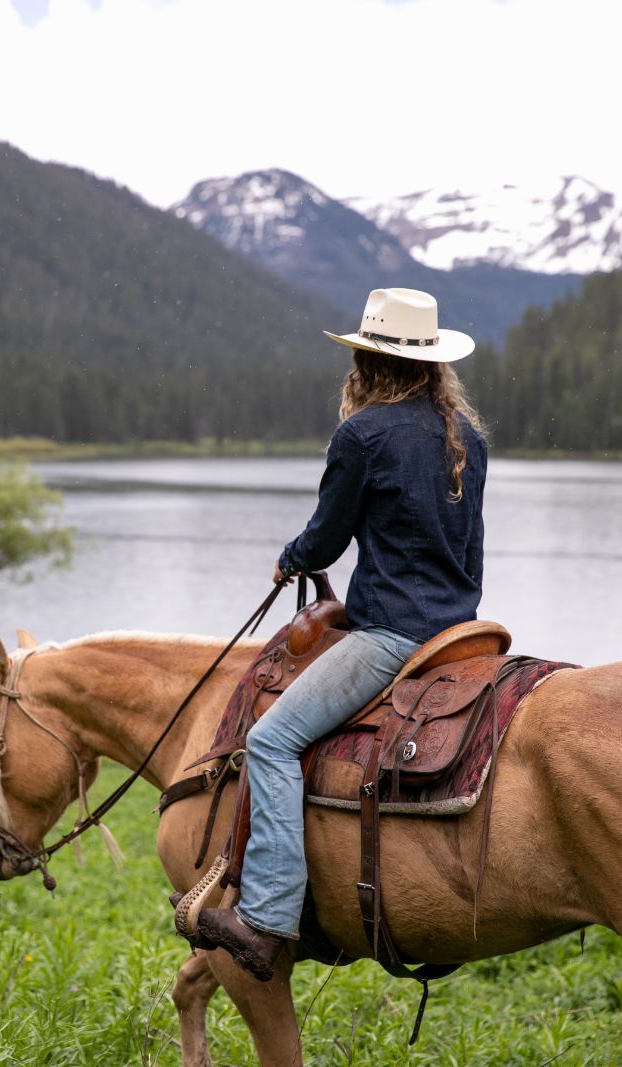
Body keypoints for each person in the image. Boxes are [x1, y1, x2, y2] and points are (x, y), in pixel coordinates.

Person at [197, 287, 487, 981]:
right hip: (465, 633)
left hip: (393, 634)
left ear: (366, 359)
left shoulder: (362, 434)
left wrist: (293, 556)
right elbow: (471, 553)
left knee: (269, 741)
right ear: (433, 366)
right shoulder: (467, 438)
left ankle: (266, 916)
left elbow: (327, 536)